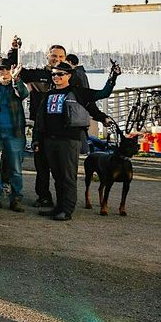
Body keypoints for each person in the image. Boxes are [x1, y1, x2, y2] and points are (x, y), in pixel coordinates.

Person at [31, 61, 115, 221]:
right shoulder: (48, 94)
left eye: (60, 74)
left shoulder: (77, 92)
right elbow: (40, 120)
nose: (56, 77)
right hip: (49, 140)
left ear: (69, 76)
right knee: (57, 177)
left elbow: (103, 93)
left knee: (68, 176)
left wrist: (113, 77)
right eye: (53, 74)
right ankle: (59, 207)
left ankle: (67, 210)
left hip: (69, 140)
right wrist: (37, 141)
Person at [0, 63, 30, 211]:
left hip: (15, 134)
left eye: (7, 69)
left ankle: (16, 198)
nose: (4, 72)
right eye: (1, 70)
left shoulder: (16, 87)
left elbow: (24, 93)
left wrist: (16, 79)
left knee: (16, 168)